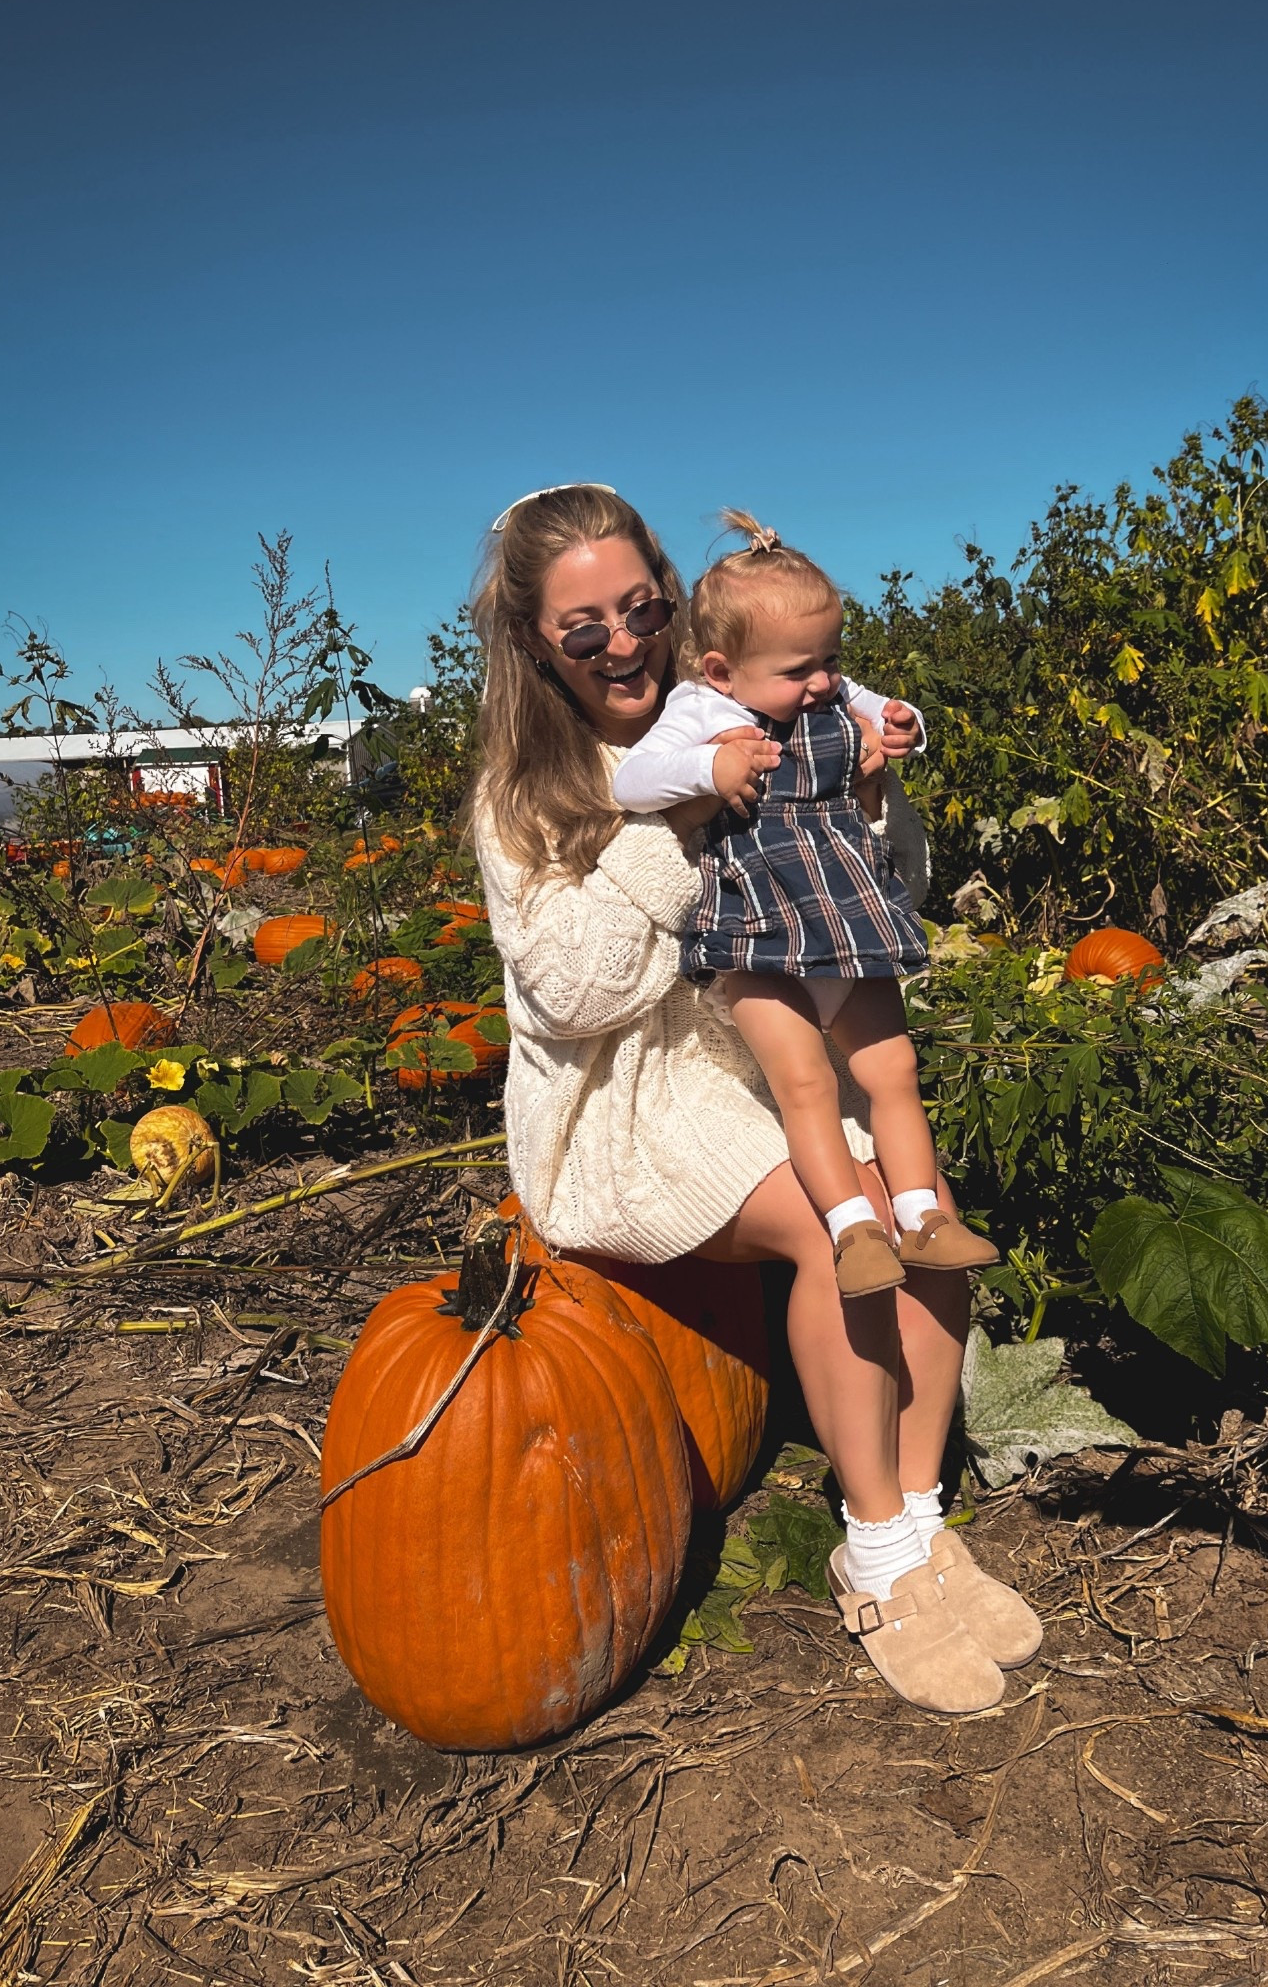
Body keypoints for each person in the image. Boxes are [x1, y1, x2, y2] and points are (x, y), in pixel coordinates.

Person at [467, 483, 1041, 1714]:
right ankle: (871, 1552)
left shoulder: (760, 696)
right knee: (842, 1233)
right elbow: (576, 993)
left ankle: (923, 1520)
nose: (624, 642)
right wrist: (685, 817)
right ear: (533, 642)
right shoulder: (526, 793)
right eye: (584, 628)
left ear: (674, 600)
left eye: (641, 608)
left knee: (925, 1222)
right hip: (626, 1105)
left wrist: (865, 788)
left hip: (765, 1066)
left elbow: (891, 891)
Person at [611, 509, 998, 1301]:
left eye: (831, 659)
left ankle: (923, 1217)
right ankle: (852, 1229)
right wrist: (709, 772)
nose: (823, 682)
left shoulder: (832, 692)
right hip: (757, 931)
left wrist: (904, 727)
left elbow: (892, 712)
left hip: (846, 910)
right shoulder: (700, 712)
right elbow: (632, 782)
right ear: (722, 671)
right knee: (807, 1084)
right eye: (799, 671)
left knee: (894, 1068)